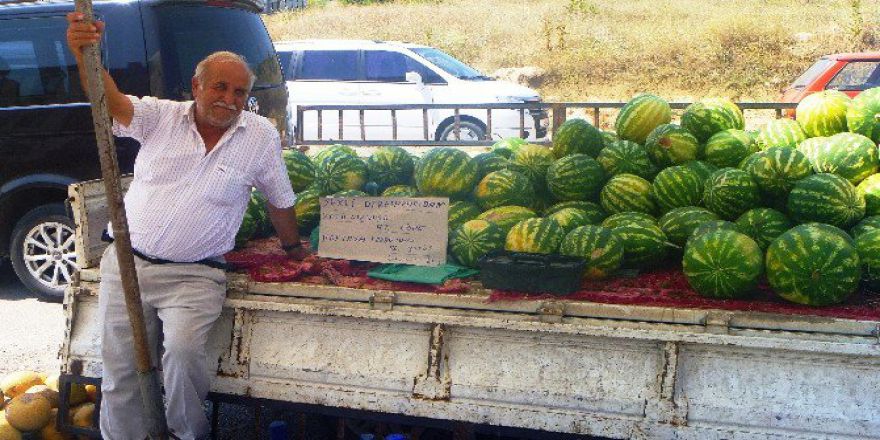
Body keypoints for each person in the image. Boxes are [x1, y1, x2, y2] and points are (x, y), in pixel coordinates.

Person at [66, 11, 310, 439]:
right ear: (196, 86)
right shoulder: (160, 117)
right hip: (129, 266)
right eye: (220, 86)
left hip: (196, 274)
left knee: (183, 357)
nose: (229, 99)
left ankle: (186, 435)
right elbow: (110, 101)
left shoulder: (259, 137)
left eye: (240, 92)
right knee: (120, 367)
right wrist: (84, 52)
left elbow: (279, 199)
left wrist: (295, 251)